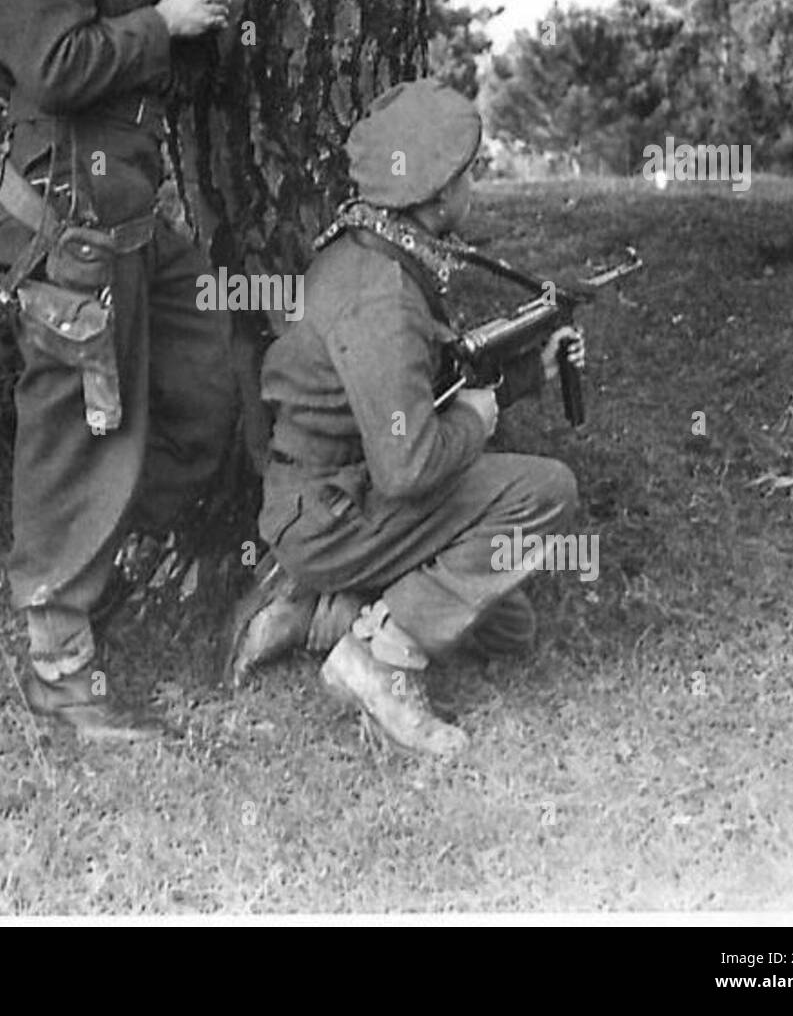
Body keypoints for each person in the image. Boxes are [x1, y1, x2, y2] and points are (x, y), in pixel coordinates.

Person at [0, 0, 236, 743]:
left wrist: (182, 33)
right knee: (74, 442)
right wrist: (160, 24)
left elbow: (117, 68)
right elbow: (53, 67)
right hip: (73, 231)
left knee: (202, 396)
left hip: (133, 220)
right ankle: (59, 666)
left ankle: (108, 577)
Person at [231, 79, 584, 757]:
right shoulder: (383, 297)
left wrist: (513, 384)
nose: (472, 183)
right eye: (467, 171)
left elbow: (407, 396)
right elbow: (408, 465)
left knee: (509, 628)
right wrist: (481, 419)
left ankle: (325, 609)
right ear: (438, 191)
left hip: (328, 494)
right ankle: (378, 658)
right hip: (334, 511)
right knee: (547, 490)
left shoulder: (370, 248)